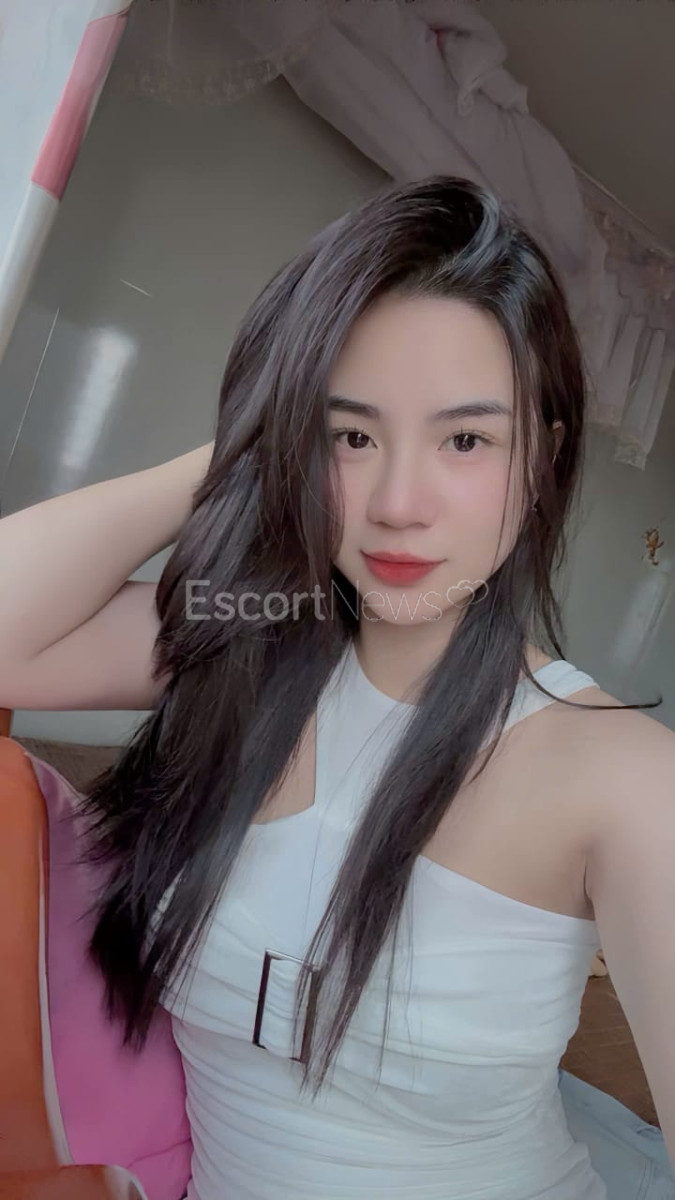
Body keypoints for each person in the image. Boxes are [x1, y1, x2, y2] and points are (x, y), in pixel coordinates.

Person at [0, 175, 674, 1200]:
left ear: (540, 459)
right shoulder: (247, 645)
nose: (398, 504)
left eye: (464, 440)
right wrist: (251, 445)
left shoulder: (624, 777)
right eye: (351, 435)